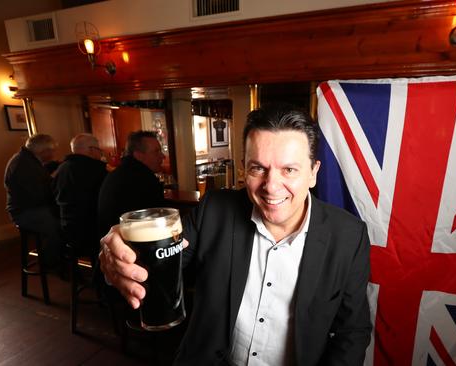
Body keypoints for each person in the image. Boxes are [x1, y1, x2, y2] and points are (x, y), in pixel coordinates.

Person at [100, 105, 372, 365]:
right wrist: (120, 260)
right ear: (244, 168)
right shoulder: (214, 210)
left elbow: (353, 332)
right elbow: (160, 266)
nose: (271, 186)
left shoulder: (349, 236)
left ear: (313, 173)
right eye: (258, 168)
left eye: (289, 170)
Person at [4, 133, 65, 270]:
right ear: (43, 151)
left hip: (30, 207)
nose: (53, 153)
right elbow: (39, 195)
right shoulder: (23, 165)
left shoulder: (27, 158)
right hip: (25, 212)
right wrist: (53, 180)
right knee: (60, 225)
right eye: (52, 150)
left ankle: (59, 258)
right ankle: (50, 263)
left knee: (62, 218)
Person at [97, 130, 166, 238]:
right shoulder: (143, 179)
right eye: (156, 151)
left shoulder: (117, 173)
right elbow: (156, 224)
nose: (163, 156)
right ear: (138, 155)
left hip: (108, 241)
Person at [52, 133, 107, 258]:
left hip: (67, 225)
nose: (100, 154)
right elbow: (106, 200)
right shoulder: (96, 169)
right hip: (90, 230)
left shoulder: (61, 168)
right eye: (99, 150)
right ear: (92, 150)